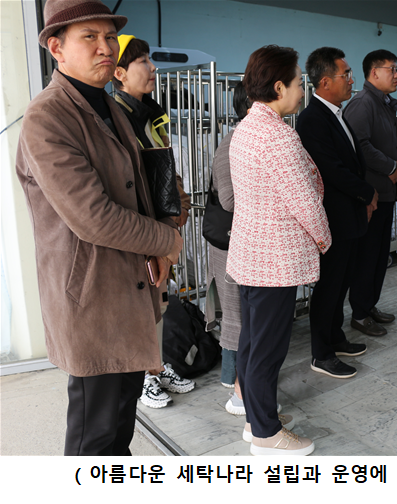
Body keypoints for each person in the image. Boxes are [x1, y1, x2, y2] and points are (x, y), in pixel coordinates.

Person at [15, 0, 183, 455]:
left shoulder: (110, 106)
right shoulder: (48, 117)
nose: (105, 47)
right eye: (89, 37)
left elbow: (140, 189)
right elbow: (93, 216)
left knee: (119, 429)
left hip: (128, 289)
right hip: (91, 298)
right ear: (56, 48)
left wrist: (165, 226)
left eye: (109, 36)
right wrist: (167, 240)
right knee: (95, 437)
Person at [227, 45, 332, 456]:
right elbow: (303, 201)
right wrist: (324, 238)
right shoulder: (277, 136)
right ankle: (267, 435)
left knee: (253, 343)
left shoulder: (246, 128)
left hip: (251, 254)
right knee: (267, 350)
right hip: (275, 260)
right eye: (298, 82)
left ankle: (256, 418)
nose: (302, 90)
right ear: (278, 87)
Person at [112, 34, 195, 408]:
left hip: (163, 225)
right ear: (119, 73)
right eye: (142, 61)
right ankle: (143, 376)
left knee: (158, 302)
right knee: (137, 305)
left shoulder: (150, 113)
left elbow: (165, 167)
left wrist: (179, 202)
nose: (152, 67)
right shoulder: (117, 118)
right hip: (140, 230)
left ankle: (156, 367)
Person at [297, 47, 379, 379]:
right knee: (329, 286)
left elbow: (350, 162)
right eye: (346, 75)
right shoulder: (312, 119)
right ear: (326, 81)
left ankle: (335, 336)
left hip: (349, 216)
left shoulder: (336, 113)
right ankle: (321, 353)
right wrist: (367, 191)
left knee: (342, 281)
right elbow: (330, 169)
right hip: (332, 218)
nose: (351, 80)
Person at [344, 49, 397, 337]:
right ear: (374, 72)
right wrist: (391, 166)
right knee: (367, 257)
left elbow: (388, 143)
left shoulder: (383, 103)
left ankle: (369, 305)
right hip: (371, 197)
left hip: (386, 192)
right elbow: (360, 146)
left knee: (380, 256)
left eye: (396, 69)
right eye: (391, 69)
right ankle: (359, 313)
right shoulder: (363, 104)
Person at [206, 81, 251, 415]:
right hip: (230, 241)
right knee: (235, 311)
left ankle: (235, 378)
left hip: (242, 240)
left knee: (240, 311)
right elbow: (229, 199)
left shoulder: (249, 140)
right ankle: (232, 381)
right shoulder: (231, 143)